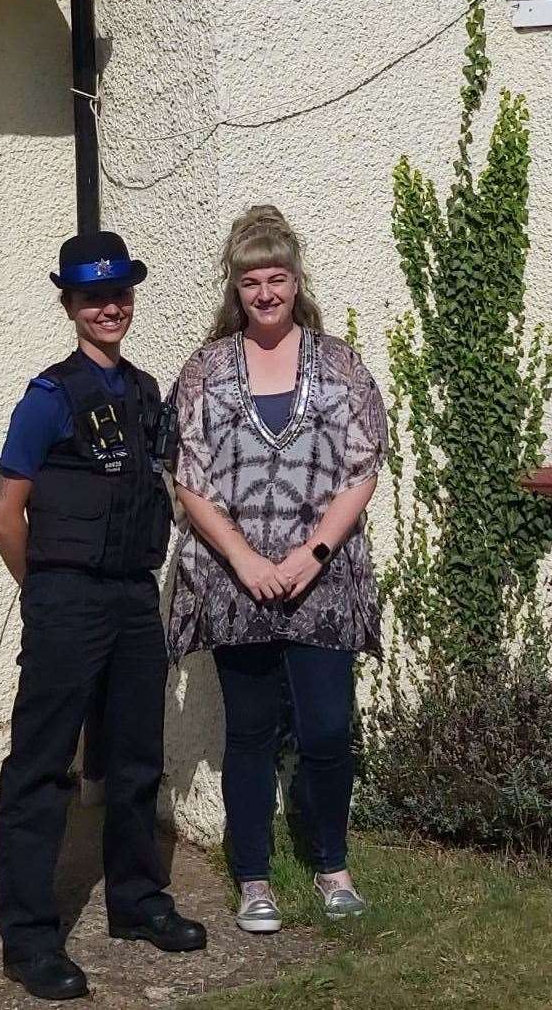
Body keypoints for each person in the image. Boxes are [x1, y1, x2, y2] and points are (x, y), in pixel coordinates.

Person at [0, 232, 206, 1002]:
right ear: (70, 306)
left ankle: (137, 902)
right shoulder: (47, 396)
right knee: (42, 769)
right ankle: (29, 936)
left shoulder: (146, 393)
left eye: (118, 295)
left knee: (135, 757)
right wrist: (45, 589)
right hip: (67, 598)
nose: (108, 308)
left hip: (130, 599)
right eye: (91, 298)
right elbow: (6, 513)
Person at [167, 205, 386, 935]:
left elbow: (363, 466)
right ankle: (254, 876)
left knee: (326, 730)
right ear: (236, 287)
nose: (265, 292)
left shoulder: (341, 363)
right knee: (251, 733)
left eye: (278, 278)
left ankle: (332, 864)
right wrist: (245, 559)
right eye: (252, 280)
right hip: (237, 583)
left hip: (323, 581)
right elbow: (188, 477)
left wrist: (310, 553)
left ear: (297, 281)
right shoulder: (205, 369)